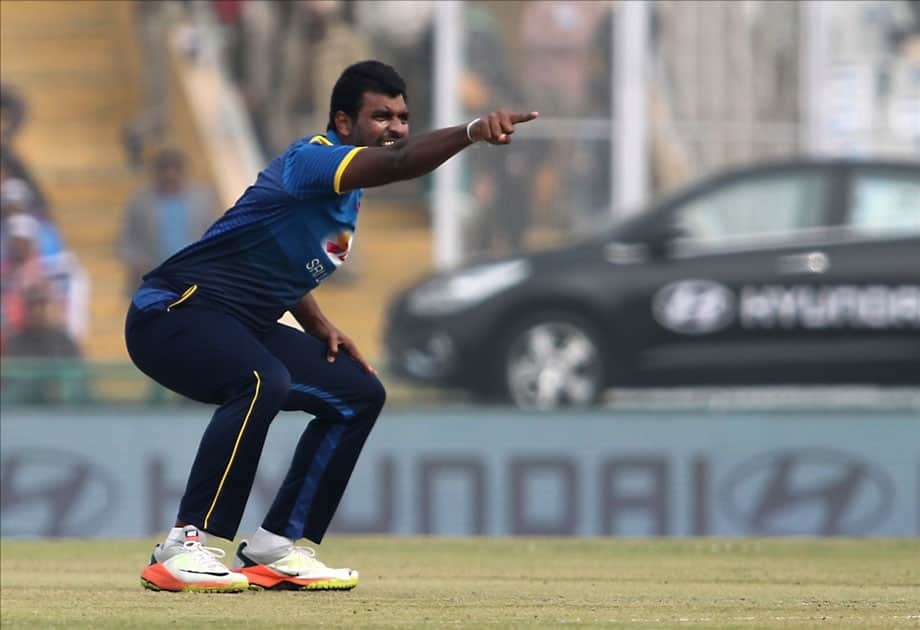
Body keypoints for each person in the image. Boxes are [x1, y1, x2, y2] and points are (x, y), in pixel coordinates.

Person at [125, 60, 537, 593]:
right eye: (380, 116)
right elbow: (403, 162)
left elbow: (276, 257)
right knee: (261, 380)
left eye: (403, 116)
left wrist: (318, 324)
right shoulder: (311, 161)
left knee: (358, 392)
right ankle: (183, 544)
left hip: (238, 321)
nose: (395, 128)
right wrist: (472, 131)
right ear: (343, 124)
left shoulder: (346, 197)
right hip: (172, 312)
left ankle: (275, 546)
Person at [118, 148, 219, 294]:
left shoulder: (202, 200)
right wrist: (138, 262)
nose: (170, 175)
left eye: (175, 169)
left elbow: (215, 234)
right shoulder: (140, 202)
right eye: (164, 169)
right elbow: (127, 240)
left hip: (194, 277)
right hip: (154, 278)